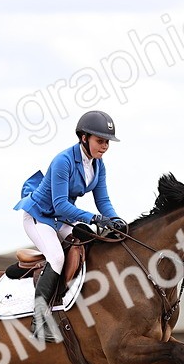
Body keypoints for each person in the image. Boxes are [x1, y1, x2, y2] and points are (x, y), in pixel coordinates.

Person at [13, 110, 128, 342]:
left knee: (87, 245)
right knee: (56, 257)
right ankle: (38, 321)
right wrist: (94, 219)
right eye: (100, 140)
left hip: (58, 219)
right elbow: (61, 205)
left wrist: (116, 221)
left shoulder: (98, 165)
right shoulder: (63, 161)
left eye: (107, 142)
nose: (105, 146)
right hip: (38, 216)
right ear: (84, 138)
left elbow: (103, 200)